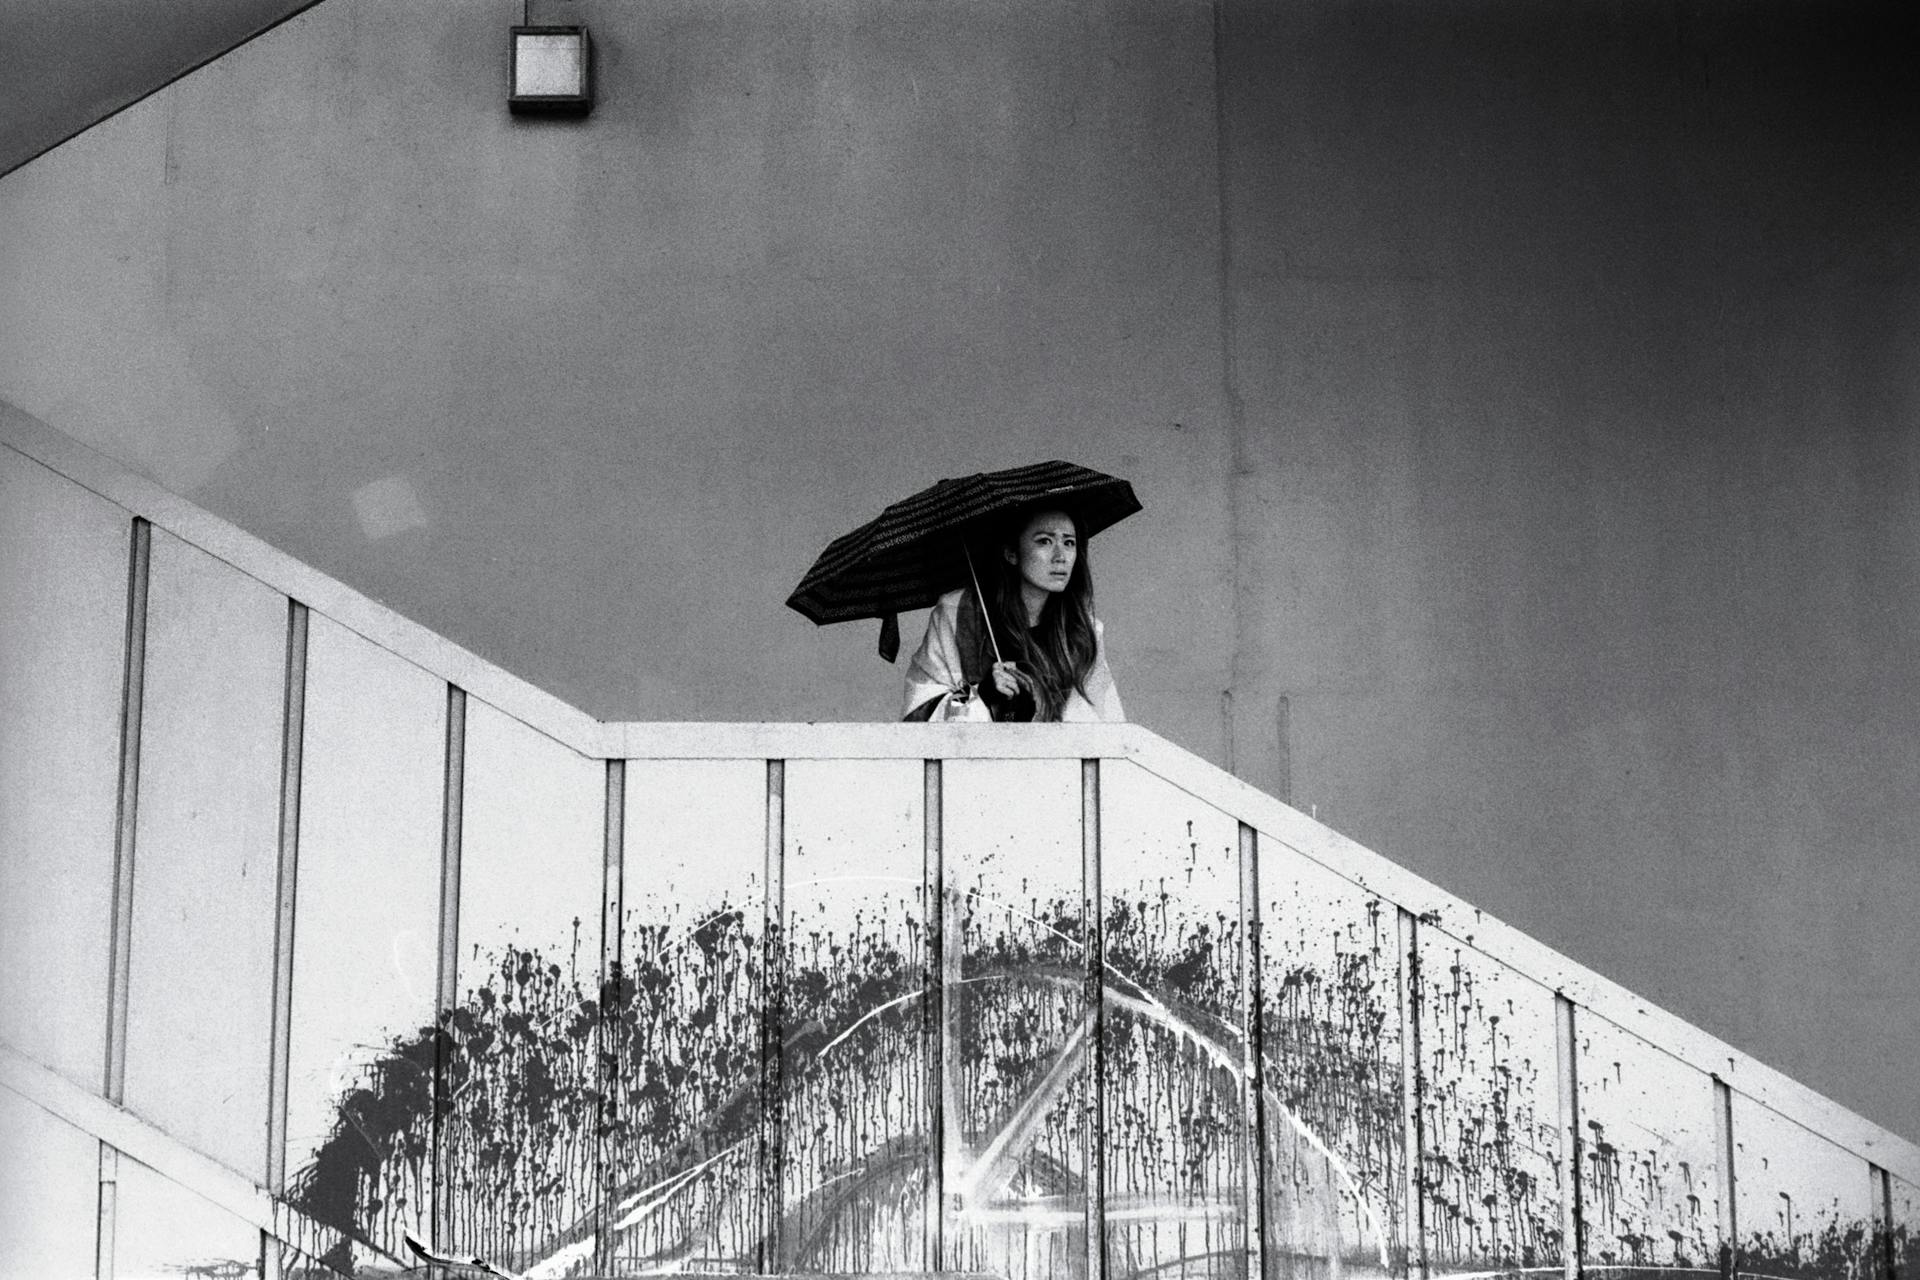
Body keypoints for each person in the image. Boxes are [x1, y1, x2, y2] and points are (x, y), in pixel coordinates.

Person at [901, 506, 1124, 722]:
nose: (1061, 556)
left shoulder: (1083, 633)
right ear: (1011, 553)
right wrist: (981, 694)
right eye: (1044, 541)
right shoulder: (957, 615)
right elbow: (920, 716)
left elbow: (1107, 722)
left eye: (1069, 543)